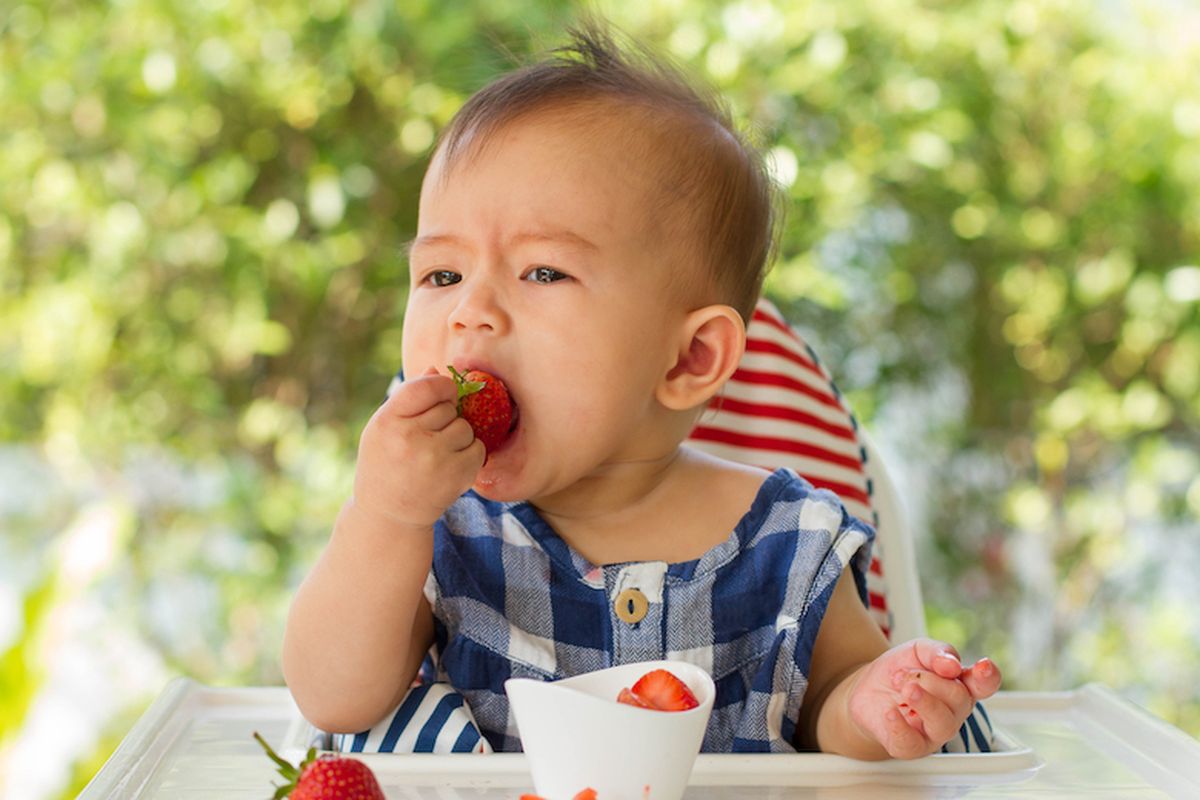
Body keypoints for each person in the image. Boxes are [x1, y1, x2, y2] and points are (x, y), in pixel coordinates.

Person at [282, 22, 1001, 759]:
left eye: (542, 272)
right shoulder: (438, 529)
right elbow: (336, 698)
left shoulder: (791, 541)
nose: (469, 310)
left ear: (690, 356)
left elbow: (834, 711)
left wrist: (879, 702)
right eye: (442, 274)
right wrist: (385, 512)